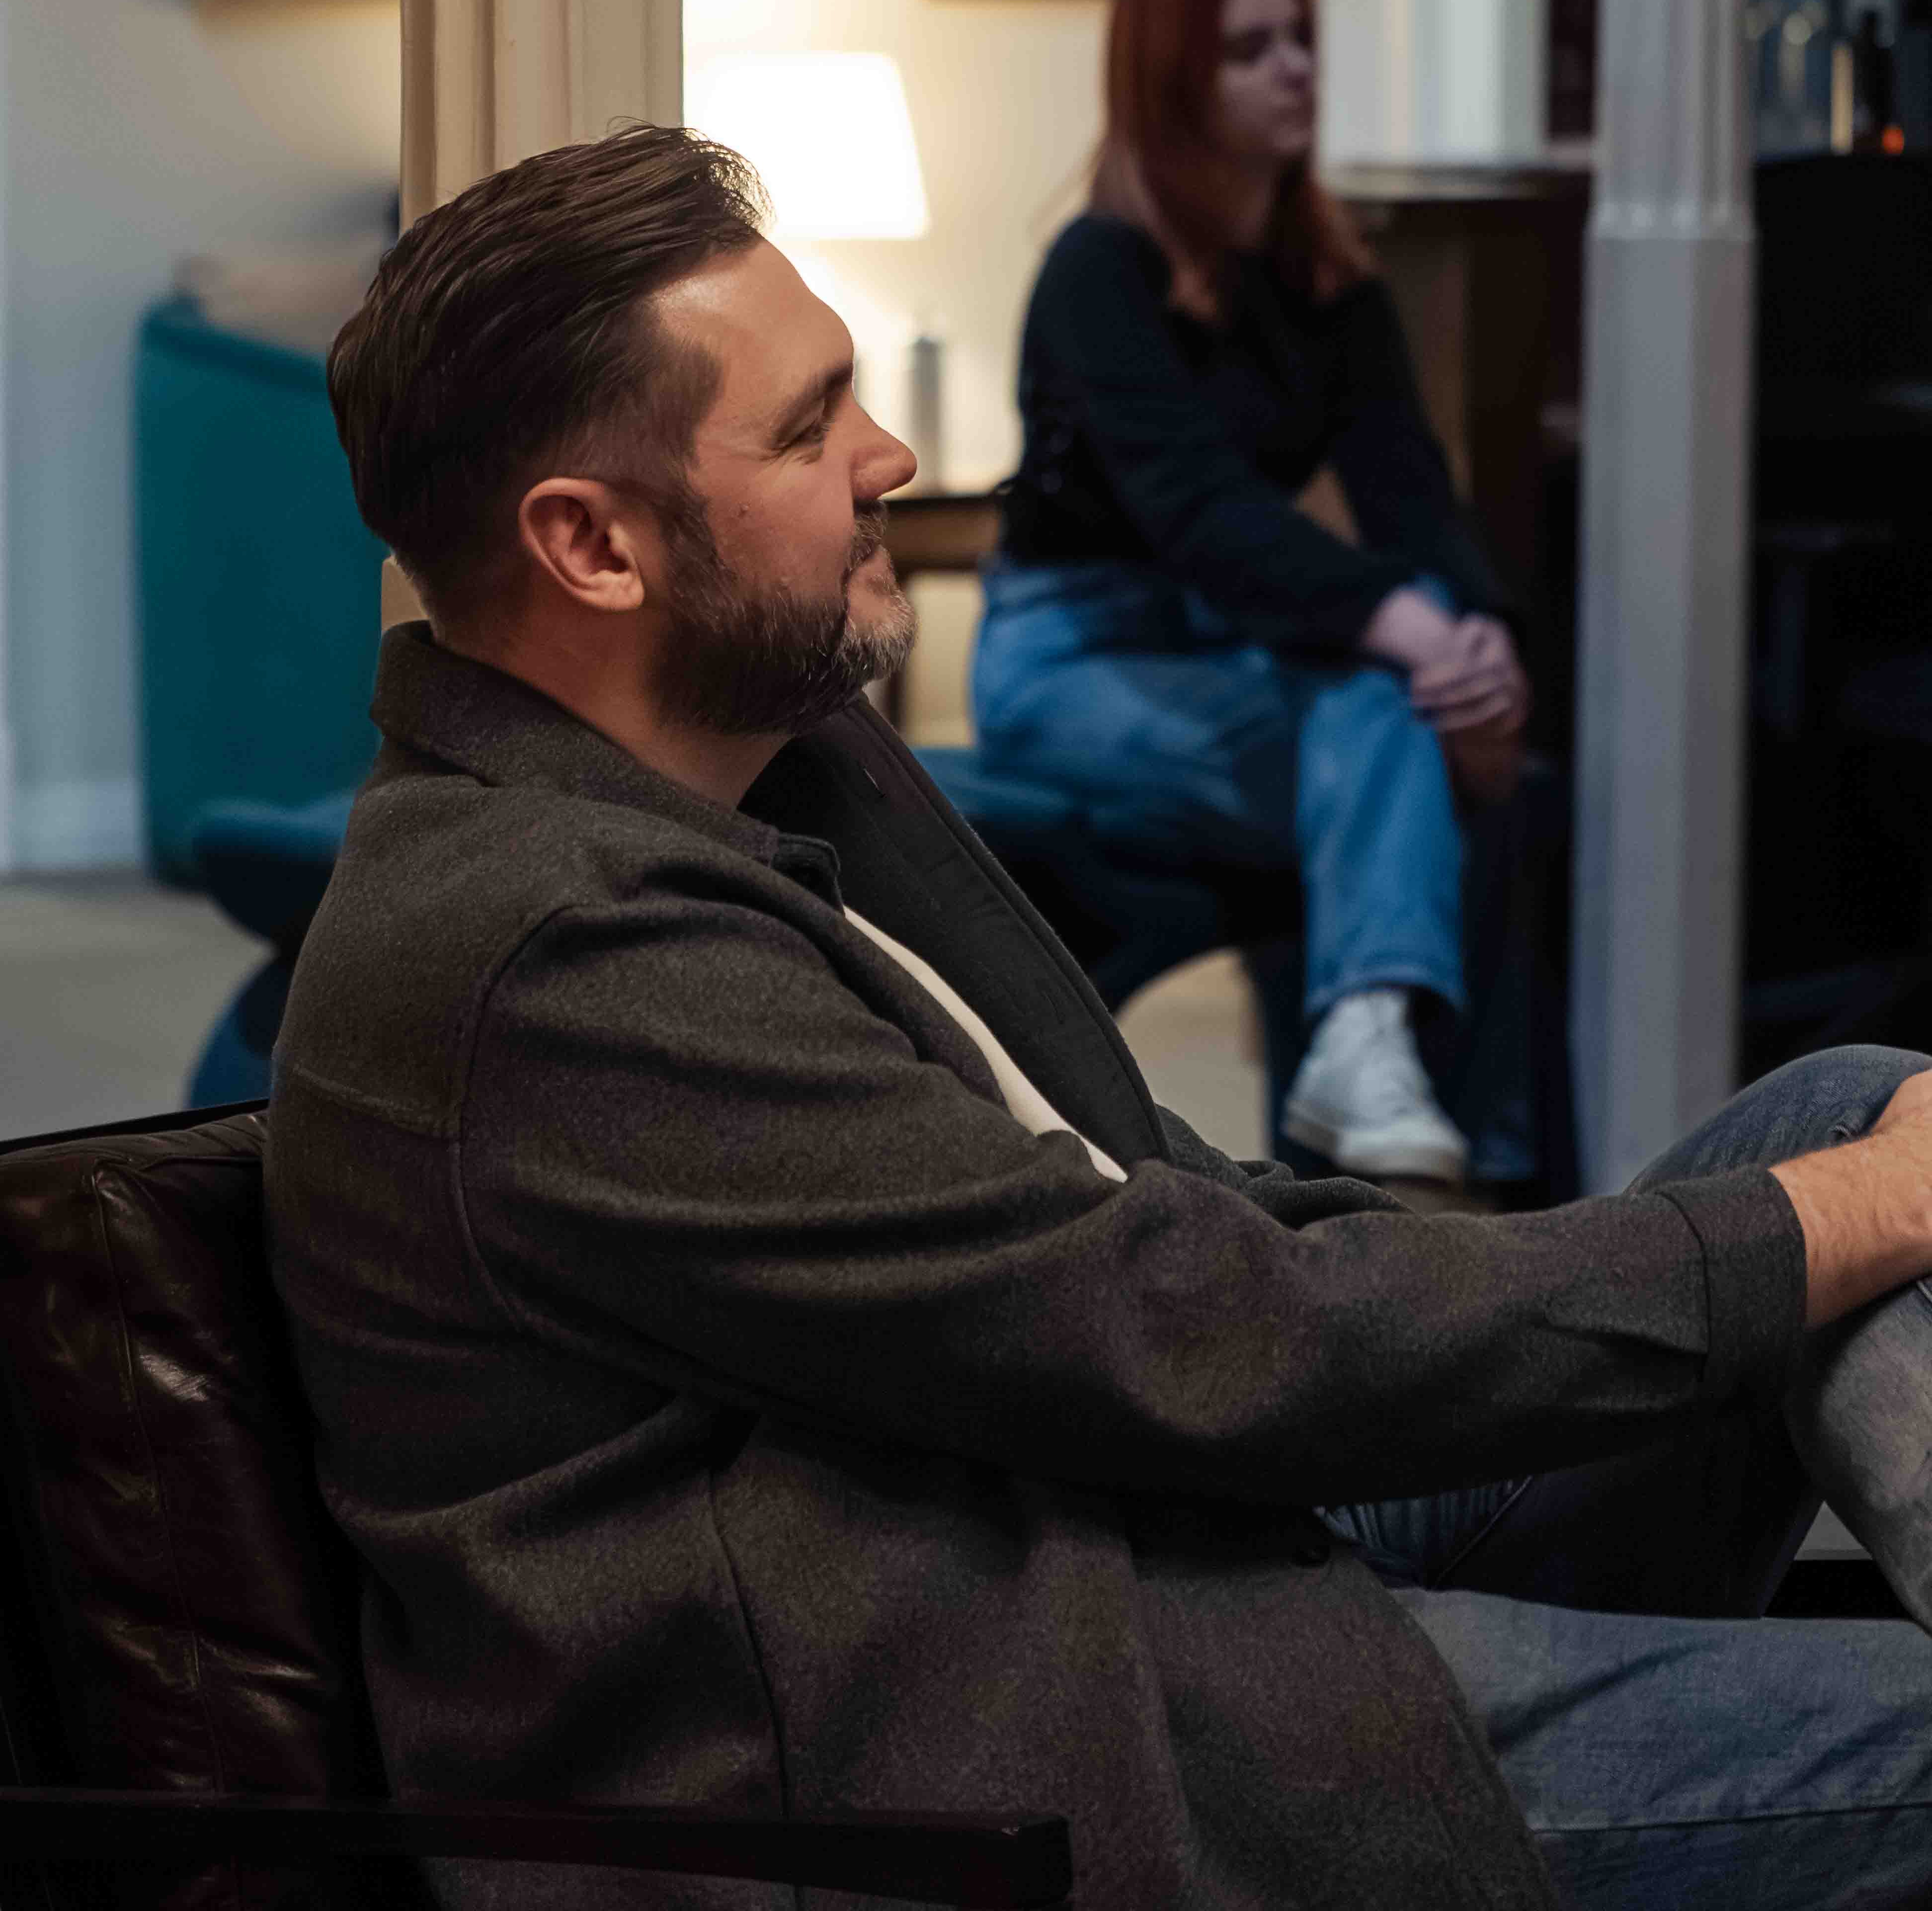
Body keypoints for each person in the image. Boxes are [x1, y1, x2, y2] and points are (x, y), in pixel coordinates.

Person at [272, 120, 1932, 1911]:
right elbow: (1190, 1329)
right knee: (1849, 1216)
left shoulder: (753, 780)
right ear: (592, 545)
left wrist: (1775, 1215)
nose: (890, 454)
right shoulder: (554, 955)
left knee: (1839, 1106)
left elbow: (1156, 1215)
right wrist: (1811, 1231)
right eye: (808, 422)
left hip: (1138, 1531)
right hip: (1038, 1732)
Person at [976, 0, 1529, 1189]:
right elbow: (1199, 512)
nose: (1296, 69)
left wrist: (1477, 635)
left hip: (1228, 652)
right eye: (1251, 48)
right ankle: (1381, 1054)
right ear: (1175, 83)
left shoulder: (1326, 284)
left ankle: (1364, 1042)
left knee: (1408, 714)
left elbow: (1411, 495)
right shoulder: (1097, 271)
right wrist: (1420, 637)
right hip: (1074, 654)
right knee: (1401, 732)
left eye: (1301, 40)